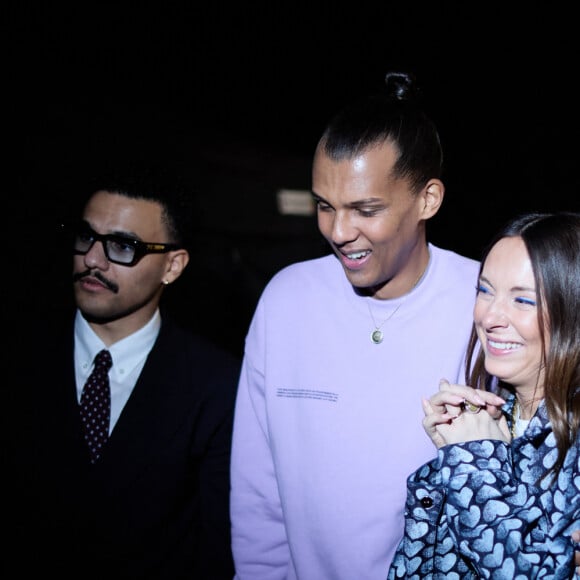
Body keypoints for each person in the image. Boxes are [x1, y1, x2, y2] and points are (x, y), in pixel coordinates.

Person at [229, 70, 481, 579]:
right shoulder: (285, 301)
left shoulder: (486, 304)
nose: (339, 232)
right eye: (325, 207)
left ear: (428, 200)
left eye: (365, 209)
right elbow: (259, 494)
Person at [4, 162, 241, 579]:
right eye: (86, 237)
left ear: (173, 266)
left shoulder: (217, 386)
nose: (92, 259)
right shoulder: (17, 360)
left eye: (122, 246)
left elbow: (217, 547)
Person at [388, 211, 580, 579]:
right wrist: (450, 458)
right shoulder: (492, 419)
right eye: (485, 290)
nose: (490, 316)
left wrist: (473, 459)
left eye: (523, 301)